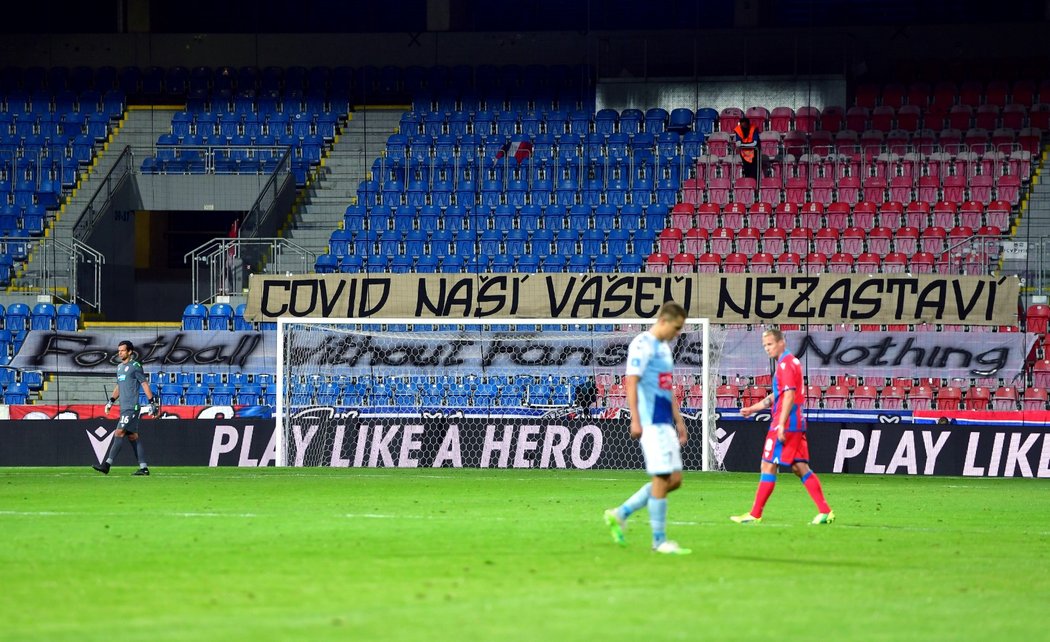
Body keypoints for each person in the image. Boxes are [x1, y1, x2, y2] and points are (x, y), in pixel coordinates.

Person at [603, 301, 691, 555]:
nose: (677, 333)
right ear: (663, 321)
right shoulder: (642, 344)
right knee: (662, 478)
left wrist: (680, 420)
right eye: (676, 328)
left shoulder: (664, 350)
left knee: (673, 480)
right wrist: (635, 419)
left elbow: (667, 387)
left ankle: (620, 513)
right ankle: (659, 541)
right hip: (651, 422)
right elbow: (632, 381)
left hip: (665, 422)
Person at [731, 328, 834, 524]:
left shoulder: (786, 365)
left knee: (768, 465)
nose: (767, 349)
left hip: (786, 423)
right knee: (799, 466)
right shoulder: (790, 363)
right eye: (765, 346)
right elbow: (777, 395)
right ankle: (825, 511)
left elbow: (789, 395)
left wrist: (780, 424)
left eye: (770, 344)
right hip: (795, 422)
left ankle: (755, 514)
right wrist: (753, 409)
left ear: (781, 342)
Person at [92, 340, 159, 476]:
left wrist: (152, 402)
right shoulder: (119, 368)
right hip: (124, 407)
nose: (120, 353)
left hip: (131, 407)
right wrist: (110, 401)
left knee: (119, 432)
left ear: (129, 352)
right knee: (133, 437)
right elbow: (119, 386)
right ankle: (144, 467)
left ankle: (107, 465)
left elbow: (144, 384)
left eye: (122, 350)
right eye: (119, 350)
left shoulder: (135, 366)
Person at [732, 115, 759, 181]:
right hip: (744, 152)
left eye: (745, 125)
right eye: (742, 125)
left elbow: (755, 143)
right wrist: (744, 145)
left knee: (754, 170)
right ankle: (748, 183)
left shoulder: (753, 129)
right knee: (746, 169)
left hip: (754, 151)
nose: (744, 126)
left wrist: (743, 145)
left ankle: (754, 183)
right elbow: (738, 143)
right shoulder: (738, 130)